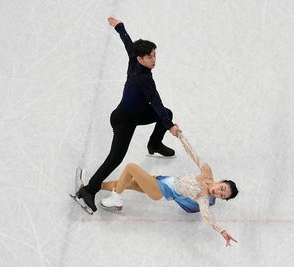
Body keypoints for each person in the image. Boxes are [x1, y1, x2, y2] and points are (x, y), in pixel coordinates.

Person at [77, 17, 181, 212]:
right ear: (140, 58)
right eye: (150, 57)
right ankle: (89, 190)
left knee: (166, 113)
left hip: (138, 114)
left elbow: (128, 43)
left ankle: (154, 144)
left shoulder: (134, 58)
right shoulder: (144, 79)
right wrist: (170, 126)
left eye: (154, 55)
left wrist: (120, 27)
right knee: (116, 157)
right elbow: (156, 103)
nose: (154, 60)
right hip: (123, 120)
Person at [100, 133, 239, 247]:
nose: (218, 192)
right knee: (128, 183)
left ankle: (116, 200)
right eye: (222, 188)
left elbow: (207, 216)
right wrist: (180, 135)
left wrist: (221, 231)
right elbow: (193, 153)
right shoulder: (207, 171)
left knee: (131, 168)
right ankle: (93, 187)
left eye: (222, 195)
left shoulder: (203, 197)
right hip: (163, 179)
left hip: (161, 190)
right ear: (221, 181)